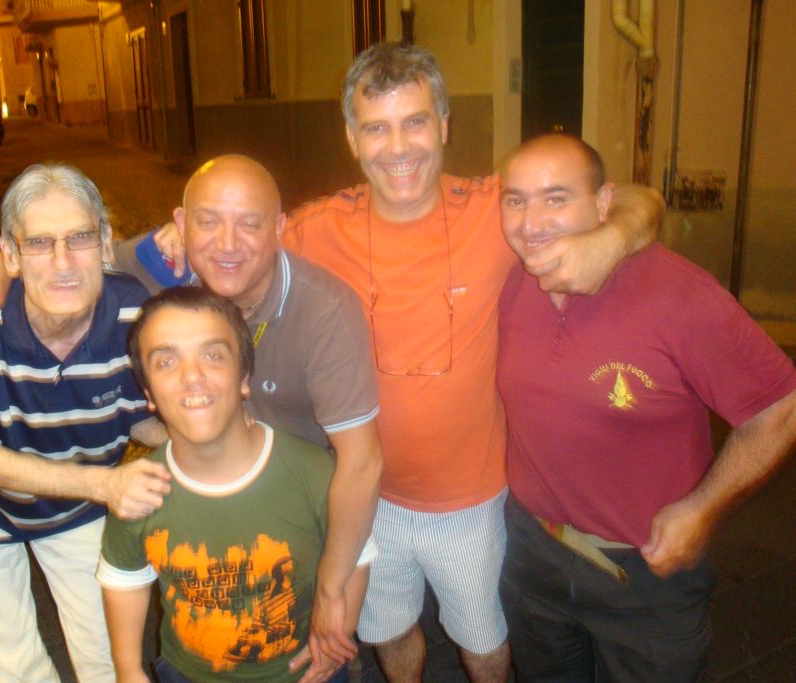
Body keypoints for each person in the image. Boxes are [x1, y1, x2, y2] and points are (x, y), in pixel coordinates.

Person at [271, 43, 664, 683]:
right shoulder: (317, 228)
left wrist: (611, 239)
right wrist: (166, 242)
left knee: (482, 642)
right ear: (352, 138)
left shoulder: (494, 209)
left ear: (445, 125)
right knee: (391, 631)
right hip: (367, 495)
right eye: (377, 128)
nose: (399, 147)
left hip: (472, 502)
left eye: (416, 122)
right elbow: (232, 245)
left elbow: (639, 199)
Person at [0, 155, 384, 670]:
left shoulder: (138, 299)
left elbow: (360, 463)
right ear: (182, 226)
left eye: (249, 223)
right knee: (16, 663)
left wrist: (330, 589)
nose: (228, 243)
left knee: (109, 651)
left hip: (94, 502)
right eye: (208, 221)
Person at [496, 134, 796, 681]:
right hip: (532, 553)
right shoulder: (510, 274)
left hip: (645, 575)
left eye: (556, 198)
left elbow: (779, 407)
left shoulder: (678, 295)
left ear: (604, 203)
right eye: (515, 200)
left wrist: (703, 509)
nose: (531, 222)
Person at [0, 163, 173, 682]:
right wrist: (107, 485)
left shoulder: (133, 313)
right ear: (10, 255)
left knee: (107, 654)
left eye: (80, 237)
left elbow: (139, 421)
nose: (63, 262)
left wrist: (203, 445)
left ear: (105, 242)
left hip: (76, 506)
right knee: (17, 666)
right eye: (39, 243)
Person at [98, 286, 374, 682]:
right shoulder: (138, 490)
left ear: (245, 377)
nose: (192, 377)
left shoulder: (312, 473)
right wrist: (127, 668)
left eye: (212, 355)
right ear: (149, 394)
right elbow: (125, 578)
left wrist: (336, 638)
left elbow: (357, 554)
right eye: (166, 362)